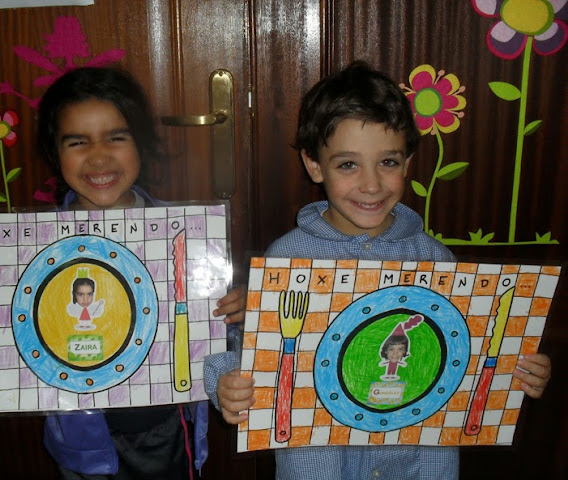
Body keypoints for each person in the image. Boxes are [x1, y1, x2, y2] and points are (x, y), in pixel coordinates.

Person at [203, 61, 552, 480]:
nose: (371, 185)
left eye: (387, 161)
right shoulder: (288, 257)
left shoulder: (437, 262)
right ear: (314, 165)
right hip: (319, 465)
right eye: (348, 165)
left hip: (417, 465)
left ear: (407, 163)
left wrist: (521, 369)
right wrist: (225, 381)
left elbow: (471, 354)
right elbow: (249, 351)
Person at [0, 66, 246, 480]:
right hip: (80, 442)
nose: (98, 157)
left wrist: (238, 312)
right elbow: (5, 324)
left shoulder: (187, 236)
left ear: (141, 144)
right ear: (55, 153)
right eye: (77, 142)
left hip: (166, 432)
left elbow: (219, 339)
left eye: (116, 137)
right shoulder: (29, 248)